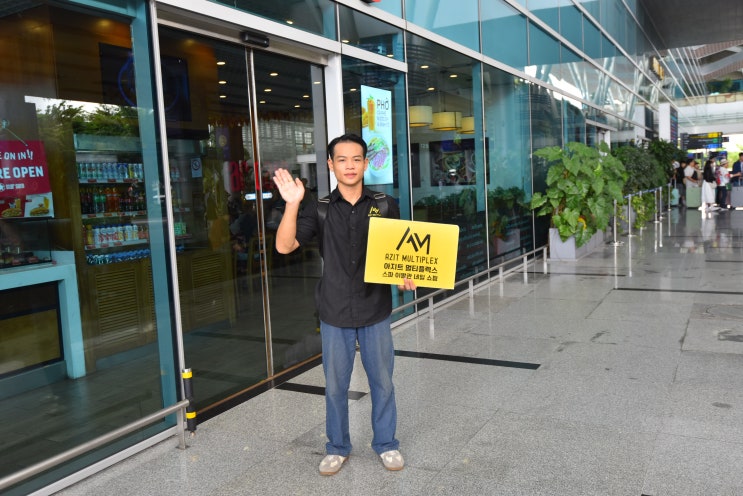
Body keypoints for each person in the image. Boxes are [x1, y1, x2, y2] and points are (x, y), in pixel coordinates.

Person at [272, 133, 416, 476]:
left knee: (383, 382)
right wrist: (292, 204)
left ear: (365, 164)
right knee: (336, 386)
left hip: (374, 308)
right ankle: (337, 447)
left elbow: (399, 253)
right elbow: (284, 246)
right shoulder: (319, 208)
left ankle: (386, 443)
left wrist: (404, 274)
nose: (349, 166)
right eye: (342, 159)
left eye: (356, 159)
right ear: (331, 165)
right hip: (334, 310)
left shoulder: (386, 204)